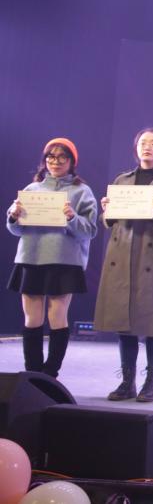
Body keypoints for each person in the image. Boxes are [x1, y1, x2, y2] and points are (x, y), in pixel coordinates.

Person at [95, 128, 153, 402]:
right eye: (143, 143)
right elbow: (107, 222)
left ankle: (151, 382)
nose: (147, 147)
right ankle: (127, 381)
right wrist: (107, 211)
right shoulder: (122, 180)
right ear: (136, 149)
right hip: (123, 254)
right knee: (124, 322)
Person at [6, 138, 98, 378]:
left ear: (72, 162)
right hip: (31, 258)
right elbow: (16, 229)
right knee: (32, 318)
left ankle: (50, 374)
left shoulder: (82, 191)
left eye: (62, 157)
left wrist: (72, 217)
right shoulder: (31, 190)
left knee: (57, 317)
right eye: (50, 157)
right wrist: (13, 216)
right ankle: (33, 374)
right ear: (44, 160)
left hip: (63, 261)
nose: (55, 162)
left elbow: (90, 231)